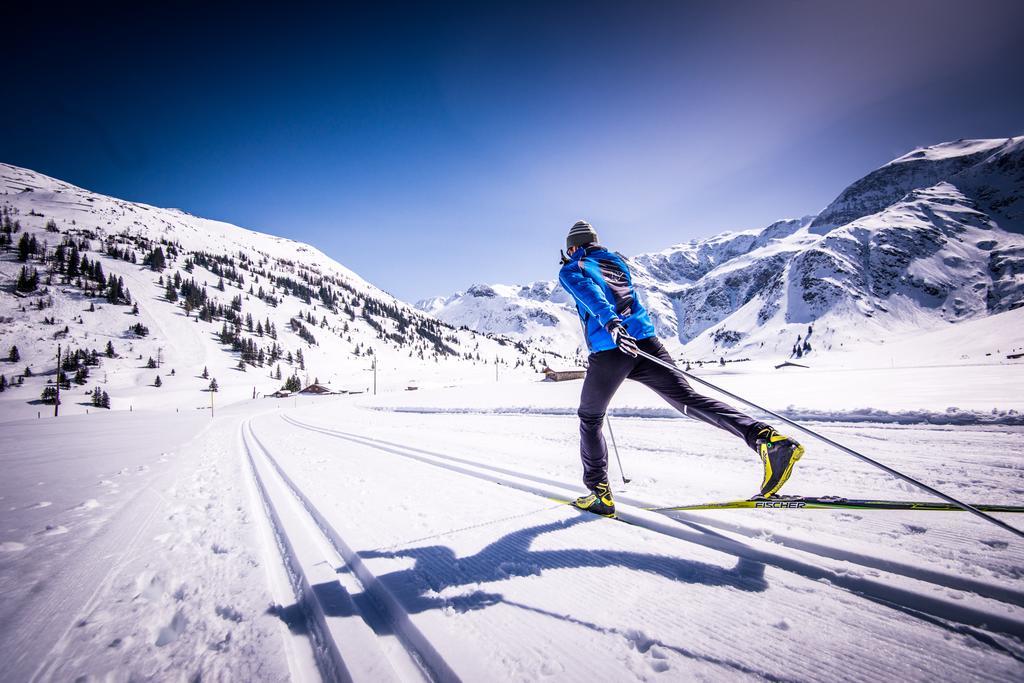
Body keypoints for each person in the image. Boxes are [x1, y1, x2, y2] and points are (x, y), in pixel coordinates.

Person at [558, 220, 804, 517]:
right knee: (688, 399)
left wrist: (612, 325)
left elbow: (591, 295)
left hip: (612, 348)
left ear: (573, 247)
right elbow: (616, 294)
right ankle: (767, 440)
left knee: (590, 416)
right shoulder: (614, 262)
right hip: (645, 342)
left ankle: (599, 494)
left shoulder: (572, 269)